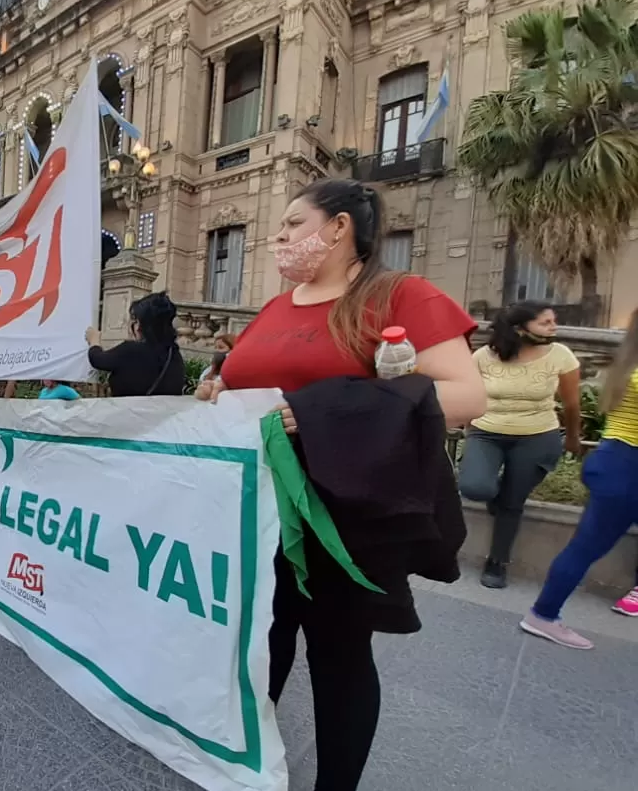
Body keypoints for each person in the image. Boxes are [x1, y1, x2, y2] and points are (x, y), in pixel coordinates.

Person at [195, 178, 485, 791]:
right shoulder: (277, 307)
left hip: (344, 514)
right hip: (253, 511)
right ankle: (244, 765)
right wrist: (219, 394)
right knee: (256, 646)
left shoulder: (400, 295)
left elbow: (466, 395)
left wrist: (326, 411)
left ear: (339, 228)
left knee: (339, 658)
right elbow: (253, 386)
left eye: (294, 223)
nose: (279, 237)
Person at [520, 308, 638, 649]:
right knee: (586, 548)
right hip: (626, 469)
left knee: (585, 547)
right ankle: (543, 615)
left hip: (614, 461)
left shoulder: (627, 364)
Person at [458, 301, 581, 589]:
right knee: (476, 487)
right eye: (545, 322)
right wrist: (469, 427)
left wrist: (573, 438)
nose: (554, 327)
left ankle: (497, 562)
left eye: (554, 321)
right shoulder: (484, 356)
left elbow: (571, 404)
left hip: (538, 435)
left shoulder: (560, 355)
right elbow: (470, 393)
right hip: (487, 432)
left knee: (512, 504)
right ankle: (498, 496)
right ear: (520, 328)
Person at [84, 291, 185, 397]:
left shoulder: (131, 351)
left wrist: (94, 340)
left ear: (143, 325)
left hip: (129, 412)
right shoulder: (174, 354)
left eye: (135, 321)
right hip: (165, 413)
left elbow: (98, 360)